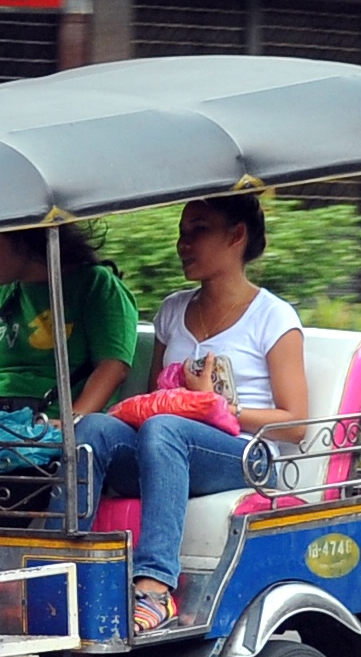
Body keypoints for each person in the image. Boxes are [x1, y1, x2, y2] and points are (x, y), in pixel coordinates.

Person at [63, 195, 309, 633]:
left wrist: (219, 407)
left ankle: (155, 587)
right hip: (170, 446)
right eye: (182, 231)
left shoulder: (273, 317)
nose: (183, 243)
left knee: (165, 428)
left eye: (199, 230)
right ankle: (57, 567)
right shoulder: (174, 310)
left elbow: (295, 423)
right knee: (94, 428)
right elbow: (154, 396)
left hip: (244, 456)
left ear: (237, 236)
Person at [0, 226, 139, 439]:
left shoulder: (95, 285)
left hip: (51, 429)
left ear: (24, 238)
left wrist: (70, 421)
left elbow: (112, 367)